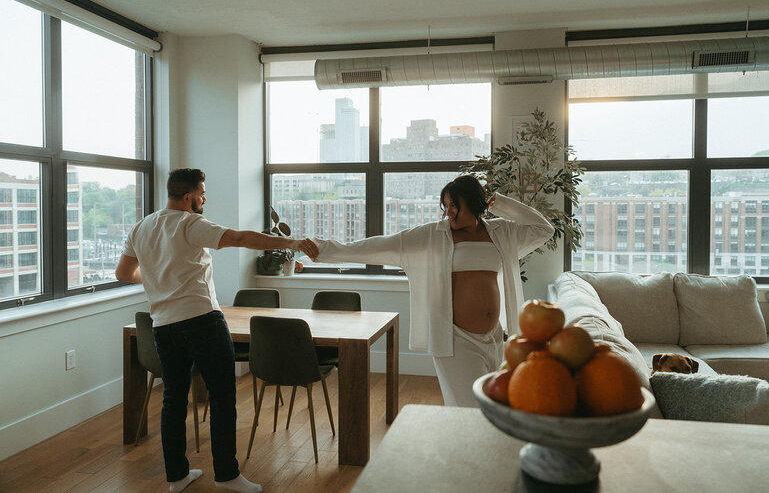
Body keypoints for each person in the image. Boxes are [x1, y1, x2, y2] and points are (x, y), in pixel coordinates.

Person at [115, 168, 318, 493]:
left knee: (173, 400)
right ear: (188, 197)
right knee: (222, 397)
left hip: (163, 326)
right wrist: (292, 242)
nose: (204, 199)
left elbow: (124, 273)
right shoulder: (190, 223)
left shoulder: (142, 227)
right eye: (202, 194)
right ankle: (226, 475)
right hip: (202, 321)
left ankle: (177, 477)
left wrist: (155, 276)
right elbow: (240, 238)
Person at [313, 175, 554, 407]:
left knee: (491, 408)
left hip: (493, 338)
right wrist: (321, 250)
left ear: (473, 202)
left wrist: (499, 203)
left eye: (454, 205)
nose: (448, 212)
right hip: (456, 340)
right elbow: (378, 246)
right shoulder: (434, 235)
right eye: (446, 206)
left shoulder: (501, 232)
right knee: (470, 410)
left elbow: (544, 229)